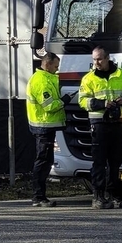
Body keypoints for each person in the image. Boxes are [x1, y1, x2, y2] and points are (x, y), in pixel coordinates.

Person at [79, 47, 122, 209]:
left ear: (107, 58)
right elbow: (82, 101)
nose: (96, 63)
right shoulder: (88, 78)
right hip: (99, 123)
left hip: (118, 122)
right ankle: (98, 197)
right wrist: (102, 104)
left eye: (99, 59)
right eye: (94, 59)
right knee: (99, 161)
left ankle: (113, 195)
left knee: (115, 161)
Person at [25, 51, 70, 207]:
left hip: (45, 126)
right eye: (56, 66)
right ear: (48, 64)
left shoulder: (45, 78)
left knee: (45, 161)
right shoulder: (41, 81)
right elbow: (50, 106)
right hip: (43, 127)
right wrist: (64, 101)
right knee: (42, 161)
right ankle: (38, 197)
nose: (57, 69)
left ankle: (40, 196)